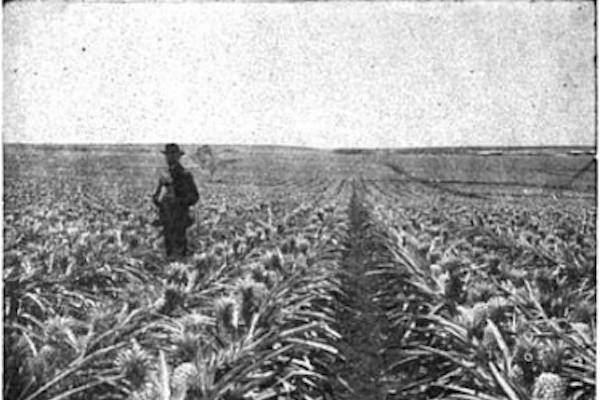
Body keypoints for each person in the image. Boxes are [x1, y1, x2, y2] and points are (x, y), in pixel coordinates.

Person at [153, 144, 199, 259]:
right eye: (168, 155)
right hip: (167, 216)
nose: (169, 158)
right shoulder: (165, 174)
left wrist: (179, 202)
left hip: (179, 217)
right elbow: (156, 196)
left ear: (178, 157)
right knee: (168, 246)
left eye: (172, 155)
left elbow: (194, 196)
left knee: (179, 247)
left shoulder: (185, 175)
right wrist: (160, 202)